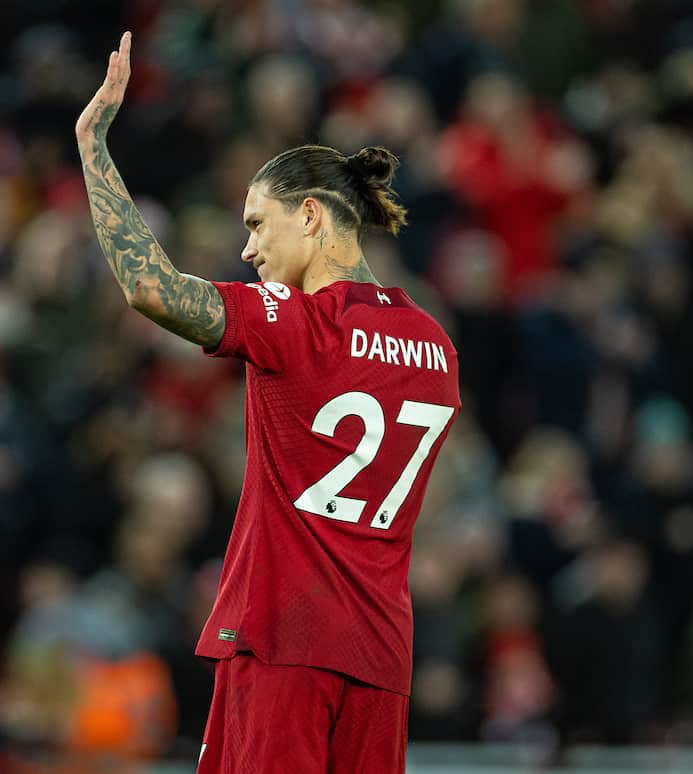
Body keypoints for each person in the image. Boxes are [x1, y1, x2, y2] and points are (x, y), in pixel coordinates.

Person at [75, 33, 460, 774]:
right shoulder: (437, 345)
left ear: (311, 216)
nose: (248, 250)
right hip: (382, 657)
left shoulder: (297, 324)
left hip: (287, 640)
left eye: (257, 223)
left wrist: (93, 144)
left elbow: (148, 287)